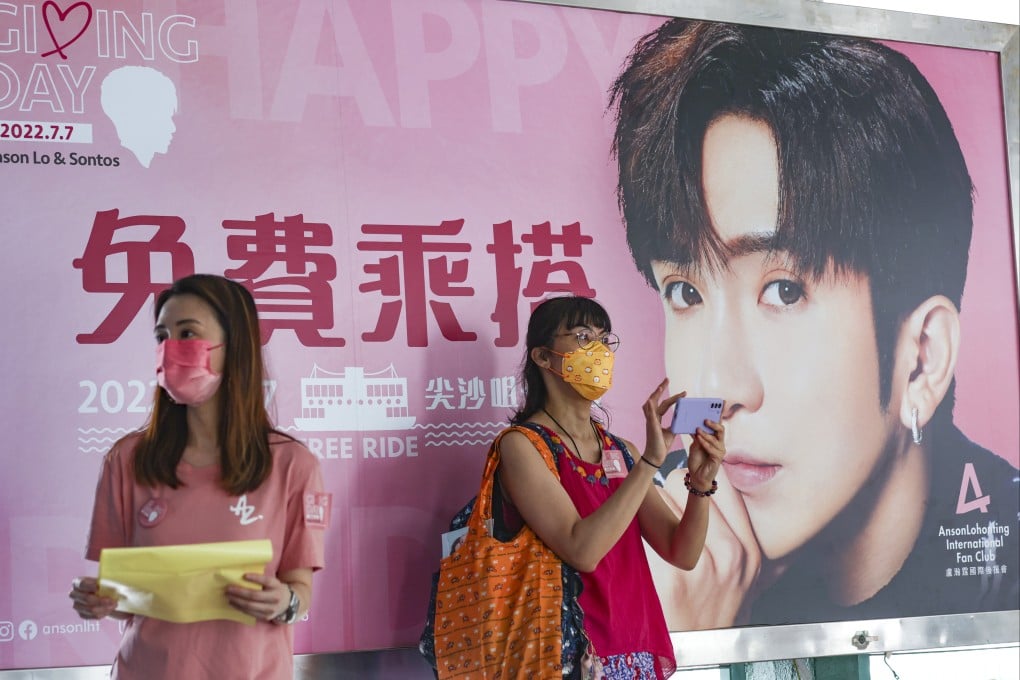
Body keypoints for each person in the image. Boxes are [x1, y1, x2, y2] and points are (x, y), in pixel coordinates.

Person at [609, 19, 1019, 629]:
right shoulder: (650, 528)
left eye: (784, 290)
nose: (718, 390)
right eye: (686, 291)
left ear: (922, 358)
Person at [69, 274, 327, 679]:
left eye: (187, 333)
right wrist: (97, 600)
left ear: (234, 345)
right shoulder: (126, 460)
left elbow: (300, 589)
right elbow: (120, 594)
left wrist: (285, 602)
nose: (170, 349)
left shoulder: (292, 465)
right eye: (162, 336)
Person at [495, 295, 726, 678]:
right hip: (567, 657)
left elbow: (681, 552)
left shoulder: (621, 450)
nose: (599, 350)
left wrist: (700, 487)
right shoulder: (522, 445)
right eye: (583, 336)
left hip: (634, 646)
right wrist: (650, 461)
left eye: (605, 339)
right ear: (542, 357)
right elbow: (582, 550)